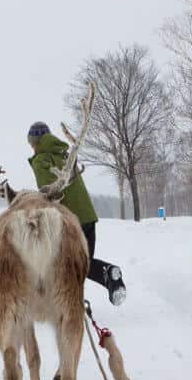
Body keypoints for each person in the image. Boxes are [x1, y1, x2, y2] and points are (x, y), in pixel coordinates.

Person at [27, 121, 126, 305]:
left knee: (64, 265)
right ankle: (108, 274)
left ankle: (63, 304)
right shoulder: (65, 155)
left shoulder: (41, 161)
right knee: (83, 265)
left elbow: (48, 193)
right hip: (88, 216)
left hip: (70, 221)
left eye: (31, 143)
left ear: (35, 142)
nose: (31, 148)